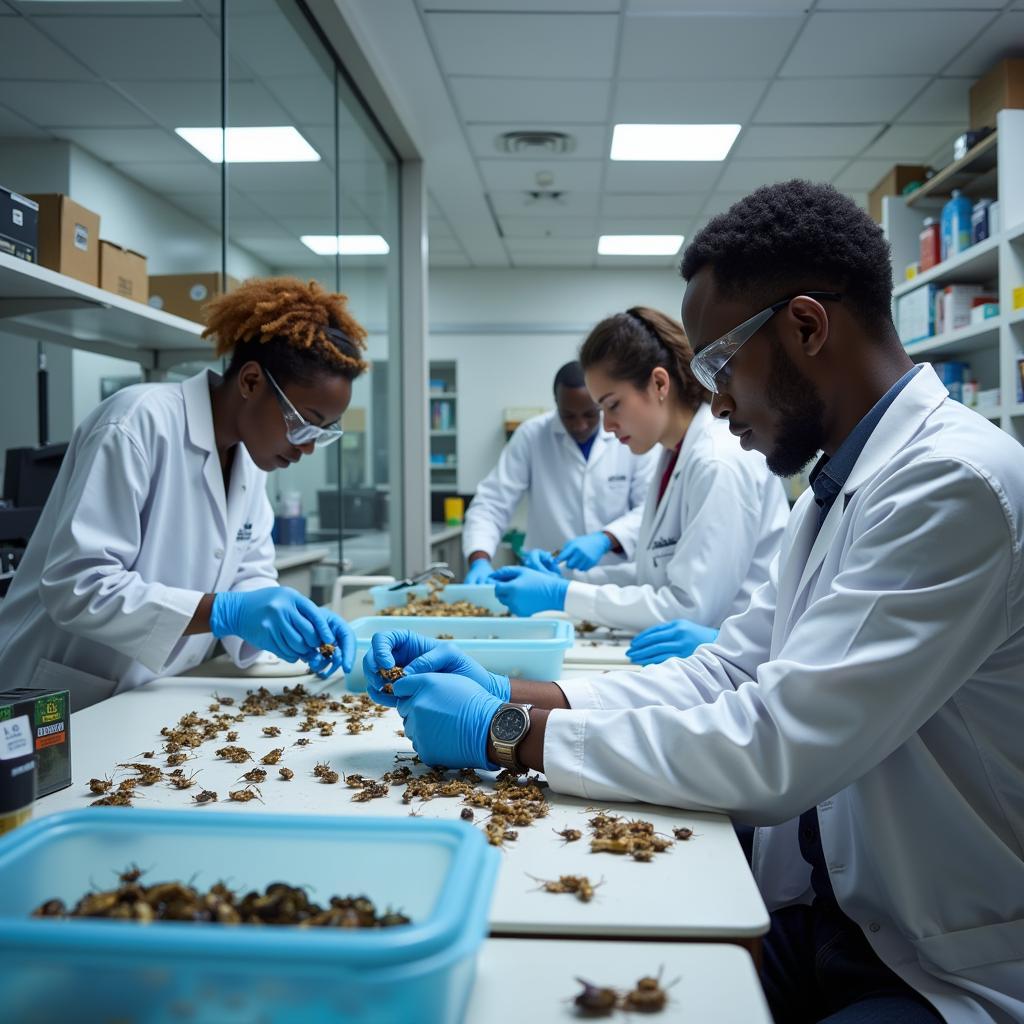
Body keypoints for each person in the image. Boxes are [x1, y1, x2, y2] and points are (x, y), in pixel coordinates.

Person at [366, 182, 1024, 1023]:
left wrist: (504, 734)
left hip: (948, 963)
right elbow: (724, 669)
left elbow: (775, 746)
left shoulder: (952, 485)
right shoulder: (836, 490)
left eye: (717, 364)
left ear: (808, 326)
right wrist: (510, 691)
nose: (710, 399)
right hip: (849, 918)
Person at [0, 277, 366, 711]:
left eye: (322, 434)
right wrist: (222, 612)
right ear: (250, 382)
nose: (307, 446)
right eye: (305, 422)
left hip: (147, 694)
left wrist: (293, 623)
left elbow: (247, 574)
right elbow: (78, 585)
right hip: (59, 693)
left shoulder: (250, 459)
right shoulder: (137, 422)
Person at [490, 308, 788, 642]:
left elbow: (689, 607)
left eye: (612, 405)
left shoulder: (717, 462)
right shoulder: (674, 456)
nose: (606, 425)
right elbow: (655, 575)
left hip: (740, 667)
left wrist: (563, 594)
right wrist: (566, 579)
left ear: (659, 383)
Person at [462, 360, 656, 583]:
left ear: (600, 403)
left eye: (589, 414)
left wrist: (606, 538)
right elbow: (492, 503)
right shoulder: (532, 435)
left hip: (615, 581)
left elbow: (649, 509)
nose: (580, 425)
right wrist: (479, 559)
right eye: (569, 416)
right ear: (556, 404)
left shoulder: (628, 435)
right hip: (546, 579)